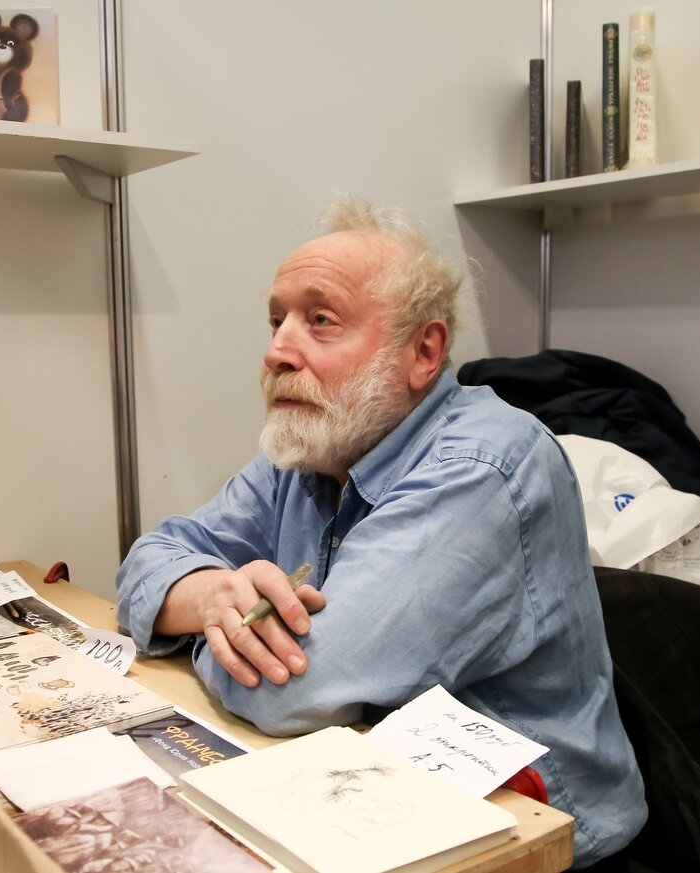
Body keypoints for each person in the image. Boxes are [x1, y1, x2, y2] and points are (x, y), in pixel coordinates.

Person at [115, 195, 647, 869]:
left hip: (528, 836)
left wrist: (195, 625)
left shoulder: (483, 465)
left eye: (320, 320)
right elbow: (146, 561)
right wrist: (214, 599)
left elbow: (293, 691)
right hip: (372, 796)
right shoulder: (308, 449)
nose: (277, 350)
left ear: (423, 352)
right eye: (277, 320)